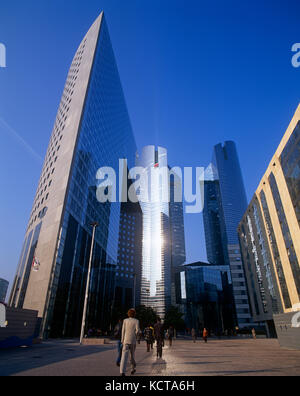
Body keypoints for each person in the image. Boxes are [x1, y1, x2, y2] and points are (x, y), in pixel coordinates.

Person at [120, 309, 140, 377]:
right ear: (134, 314)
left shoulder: (125, 320)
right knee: (132, 356)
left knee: (124, 356)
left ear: (128, 314)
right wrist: (136, 336)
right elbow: (137, 331)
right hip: (133, 341)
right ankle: (132, 368)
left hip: (125, 340)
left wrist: (122, 340)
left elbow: (123, 331)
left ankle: (122, 372)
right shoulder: (136, 321)